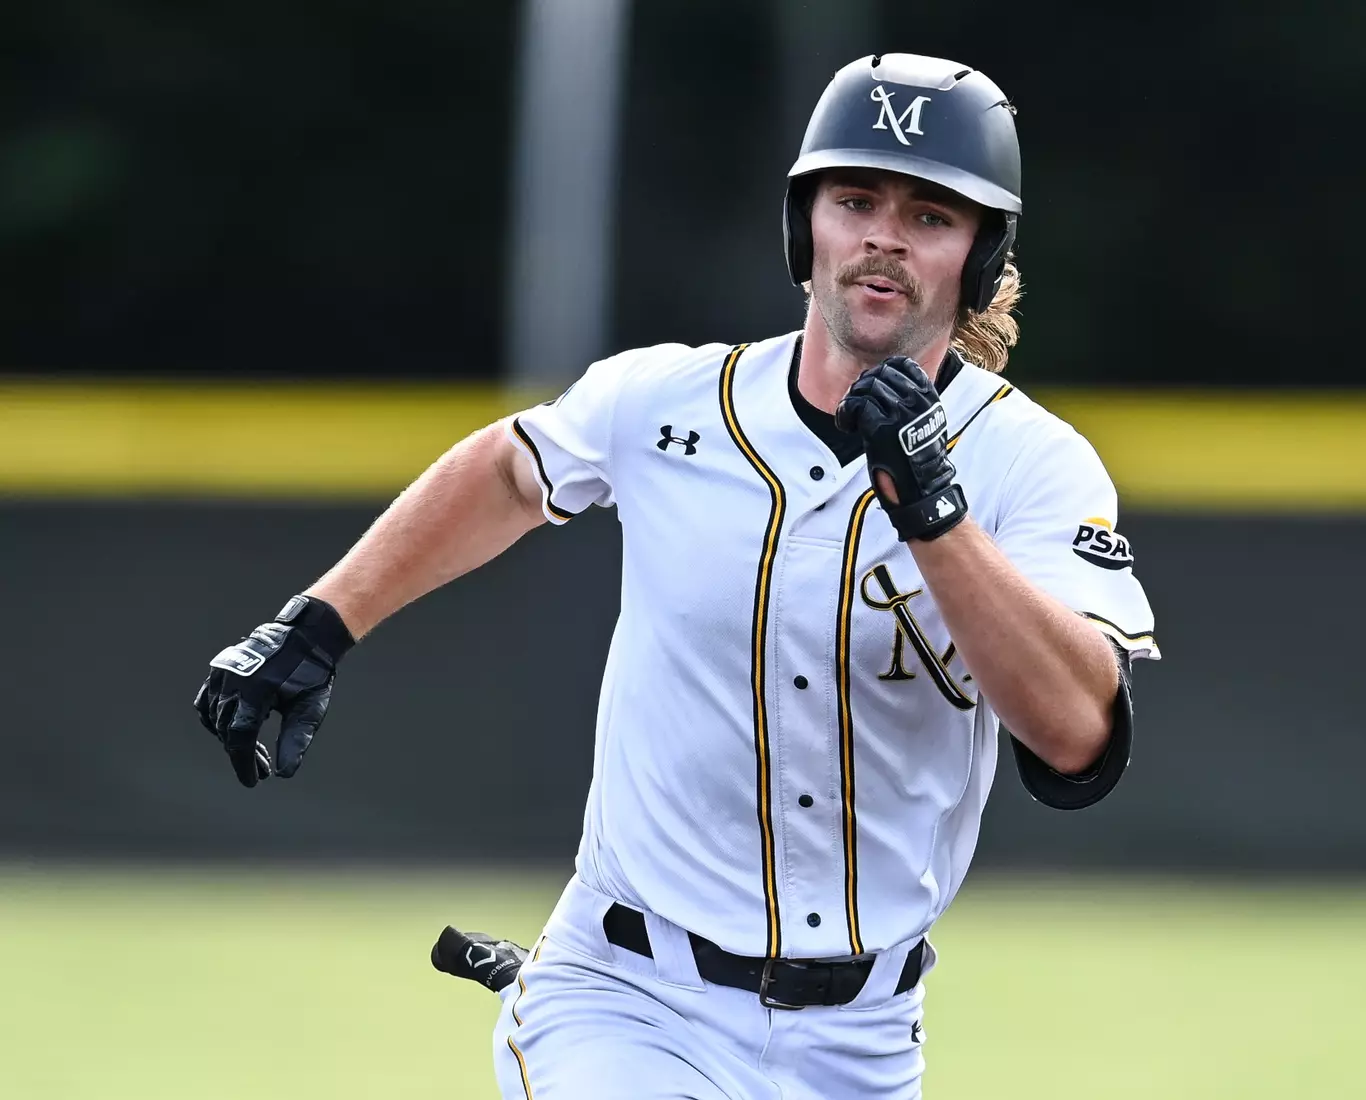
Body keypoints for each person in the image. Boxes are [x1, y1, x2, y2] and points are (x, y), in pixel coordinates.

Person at [192, 51, 1159, 1099]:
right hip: (625, 996)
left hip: (866, 1043)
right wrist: (321, 622)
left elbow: (1078, 741)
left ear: (981, 255)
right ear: (806, 228)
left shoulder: (1032, 464)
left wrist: (935, 512)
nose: (883, 232)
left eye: (930, 214)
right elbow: (514, 470)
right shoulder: (668, 403)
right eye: (855, 198)